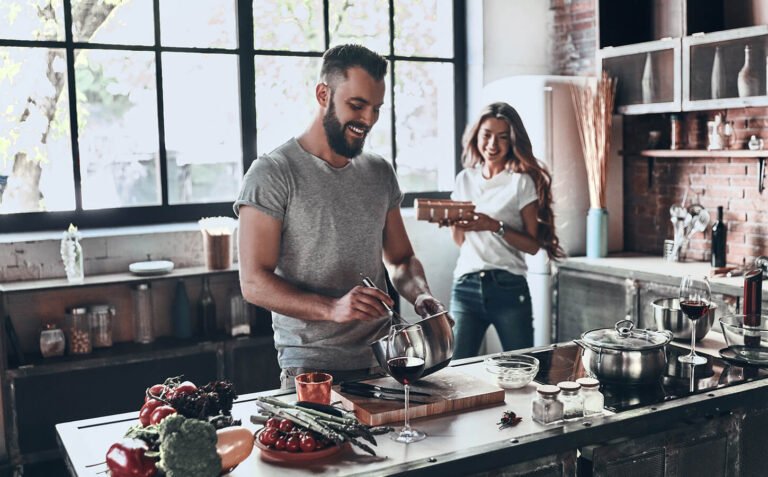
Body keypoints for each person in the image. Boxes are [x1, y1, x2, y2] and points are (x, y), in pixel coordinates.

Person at [234, 44, 445, 388]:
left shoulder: (379, 172)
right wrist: (333, 308)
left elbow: (402, 259)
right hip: (311, 372)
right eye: (357, 105)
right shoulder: (273, 173)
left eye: (376, 109)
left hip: (386, 363)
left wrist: (420, 294)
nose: (368, 120)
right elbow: (254, 282)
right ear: (323, 94)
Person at [447, 102, 565, 359]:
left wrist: (494, 226)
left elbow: (533, 246)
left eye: (502, 138)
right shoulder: (464, 179)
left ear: (512, 142)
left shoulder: (521, 182)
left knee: (522, 367)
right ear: (476, 135)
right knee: (455, 370)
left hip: (509, 288)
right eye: (487, 135)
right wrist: (455, 221)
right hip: (466, 285)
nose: (493, 145)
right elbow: (460, 242)